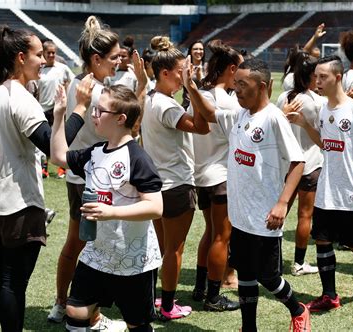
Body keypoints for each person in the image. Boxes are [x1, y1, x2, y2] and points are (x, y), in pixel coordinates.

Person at [0, 25, 89, 332]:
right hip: (17, 203)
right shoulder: (20, 97)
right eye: (38, 54)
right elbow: (54, 149)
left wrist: (7, 137)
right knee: (12, 281)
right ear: (21, 57)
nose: (44, 60)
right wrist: (77, 110)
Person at [186, 58, 310, 331]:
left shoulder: (273, 118)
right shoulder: (240, 115)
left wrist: (281, 203)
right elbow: (209, 114)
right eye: (235, 84)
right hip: (240, 214)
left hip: (265, 217)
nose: (236, 89)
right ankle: (249, 327)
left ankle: (298, 308)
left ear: (262, 86)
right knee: (245, 273)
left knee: (268, 277)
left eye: (242, 84)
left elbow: (298, 162)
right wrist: (191, 88)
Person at [50, 84, 163, 332]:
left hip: (132, 260)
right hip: (97, 255)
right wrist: (59, 115)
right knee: (75, 311)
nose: (94, 115)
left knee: (137, 323)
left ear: (121, 119)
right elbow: (58, 156)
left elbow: (155, 207)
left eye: (100, 111)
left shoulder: (138, 158)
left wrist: (112, 212)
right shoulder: (95, 153)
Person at [47, 16, 128, 328]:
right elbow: (116, 136)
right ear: (96, 59)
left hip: (76, 176)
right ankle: (89, 314)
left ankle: (61, 302)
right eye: (114, 58)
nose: (119, 62)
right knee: (99, 249)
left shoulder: (77, 85)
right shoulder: (98, 93)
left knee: (74, 244)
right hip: (97, 179)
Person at [288, 55, 353, 312]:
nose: (317, 81)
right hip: (327, 189)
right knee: (323, 240)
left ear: (337, 77)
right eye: (316, 76)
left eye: (323, 77)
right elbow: (325, 145)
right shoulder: (323, 110)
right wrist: (305, 124)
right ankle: (329, 294)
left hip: (352, 192)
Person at [140, 35, 209, 321]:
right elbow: (203, 126)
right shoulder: (168, 106)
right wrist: (194, 89)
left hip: (157, 184)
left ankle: (158, 298)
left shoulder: (150, 99)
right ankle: (168, 306)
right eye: (181, 72)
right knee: (174, 250)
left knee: (161, 248)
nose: (185, 76)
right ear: (165, 73)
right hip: (176, 184)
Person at [188, 39, 242, 312]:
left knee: (210, 232)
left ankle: (199, 289)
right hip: (220, 176)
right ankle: (213, 296)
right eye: (240, 72)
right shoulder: (229, 103)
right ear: (231, 69)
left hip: (200, 175)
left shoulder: (202, 95)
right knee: (222, 236)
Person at [276, 51, 323, 276]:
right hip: (310, 162)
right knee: (305, 215)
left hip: (285, 164)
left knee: (280, 210)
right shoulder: (316, 102)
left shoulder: (282, 97)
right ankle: (299, 263)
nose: (319, 81)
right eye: (317, 76)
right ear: (309, 77)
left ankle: (273, 260)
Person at [37, 40, 74, 178]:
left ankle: (61, 168)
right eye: (49, 53)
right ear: (44, 53)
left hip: (58, 109)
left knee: (60, 138)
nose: (52, 55)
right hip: (42, 108)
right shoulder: (40, 69)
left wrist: (67, 93)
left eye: (54, 52)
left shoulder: (62, 68)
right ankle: (44, 168)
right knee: (43, 139)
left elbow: (72, 80)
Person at [181, 40, 206, 109]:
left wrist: (200, 77)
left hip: (203, 105)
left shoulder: (207, 67)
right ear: (190, 51)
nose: (198, 51)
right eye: (195, 49)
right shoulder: (185, 66)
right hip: (187, 105)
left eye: (201, 49)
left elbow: (209, 87)